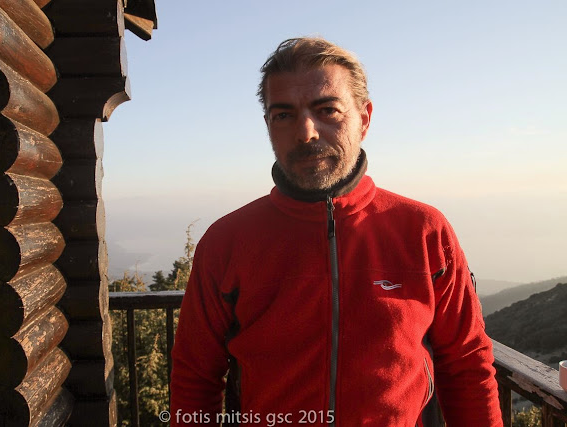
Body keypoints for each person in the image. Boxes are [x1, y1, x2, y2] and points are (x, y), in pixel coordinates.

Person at [170, 37, 502, 427]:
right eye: (283, 115)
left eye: (327, 109)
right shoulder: (226, 243)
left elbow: (466, 364)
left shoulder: (424, 231)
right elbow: (195, 376)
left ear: (364, 118)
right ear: (268, 126)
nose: (306, 132)